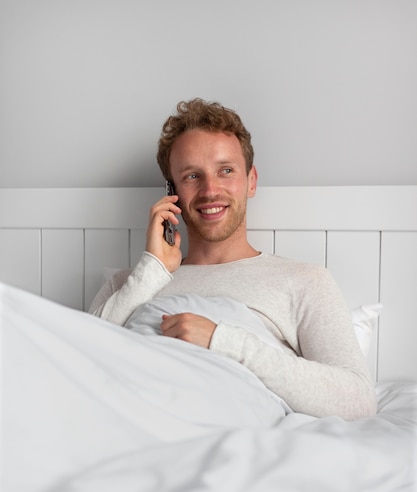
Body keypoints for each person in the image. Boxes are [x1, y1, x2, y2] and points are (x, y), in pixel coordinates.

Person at [89, 98, 377, 419]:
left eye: (225, 171)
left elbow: (358, 402)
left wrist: (221, 340)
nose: (210, 190)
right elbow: (75, 367)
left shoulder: (303, 281)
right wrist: (151, 271)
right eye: (191, 176)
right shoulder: (128, 284)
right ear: (172, 192)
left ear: (251, 181)